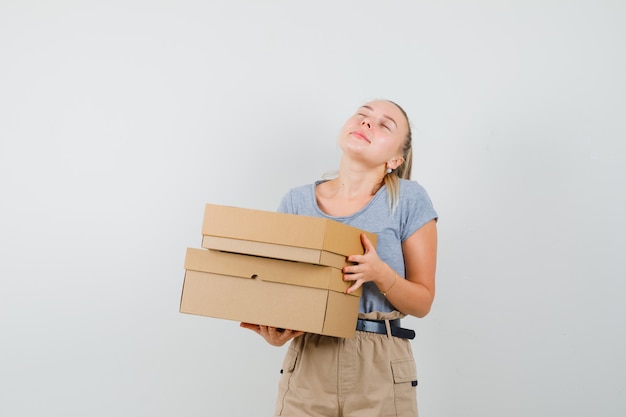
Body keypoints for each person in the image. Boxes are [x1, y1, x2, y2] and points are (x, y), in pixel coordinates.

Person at [241, 99, 438, 417]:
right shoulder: (296, 202)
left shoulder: (409, 199)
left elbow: (423, 302)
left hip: (380, 365)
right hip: (310, 361)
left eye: (385, 124)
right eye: (362, 114)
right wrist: (277, 331)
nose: (367, 122)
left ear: (395, 159)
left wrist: (380, 273)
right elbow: (279, 292)